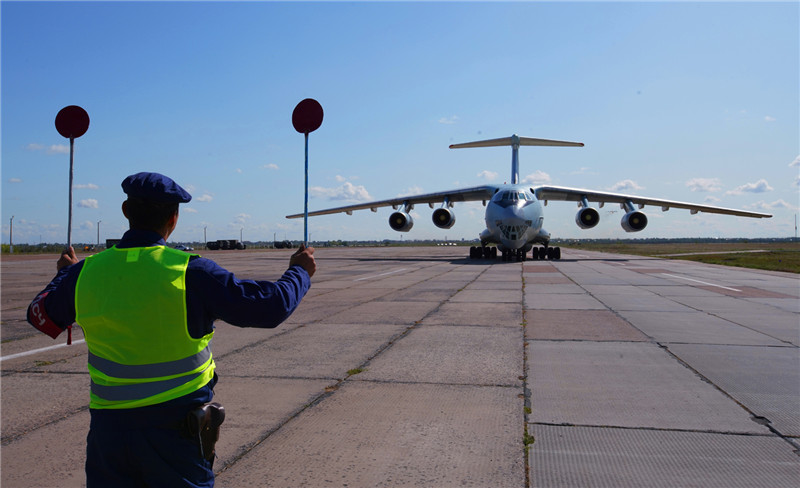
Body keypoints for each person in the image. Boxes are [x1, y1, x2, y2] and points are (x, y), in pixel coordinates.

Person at [27, 172, 316, 488]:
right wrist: (299, 272)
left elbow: (40, 315)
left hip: (109, 437)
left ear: (126, 211)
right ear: (174, 219)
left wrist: (64, 275)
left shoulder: (86, 273)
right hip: (175, 433)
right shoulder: (191, 271)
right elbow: (269, 307)